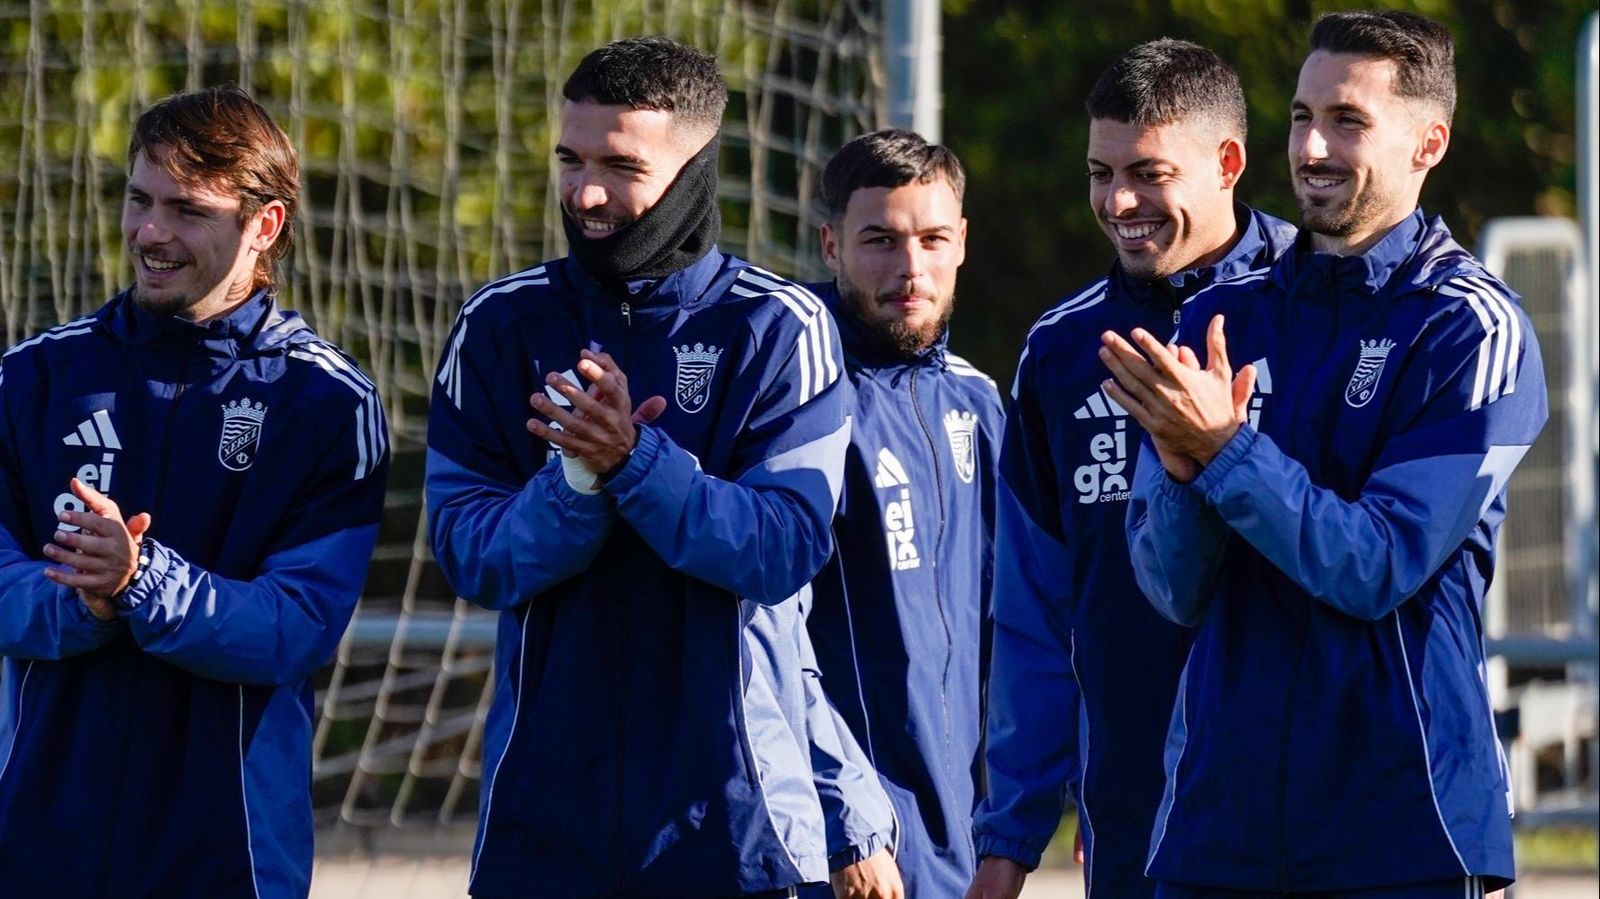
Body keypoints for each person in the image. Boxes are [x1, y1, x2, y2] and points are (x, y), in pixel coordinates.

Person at [1103, 11, 1543, 897]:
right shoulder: (1220, 315)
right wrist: (1186, 478)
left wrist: (1222, 451)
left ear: (1430, 141)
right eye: (1303, 117)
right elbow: (1173, 587)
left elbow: (1376, 563)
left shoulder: (1469, 328)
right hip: (1216, 830)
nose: (1312, 147)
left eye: (1348, 120)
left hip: (1401, 829)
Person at [426, 37, 864, 898]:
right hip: (542, 826)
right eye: (570, 159)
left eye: (620, 165)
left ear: (697, 168)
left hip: (734, 830)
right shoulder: (500, 324)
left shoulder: (779, 327)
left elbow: (781, 548)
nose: (585, 192)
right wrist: (578, 481)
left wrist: (635, 461)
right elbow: (469, 551)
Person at [0, 86, 389, 898]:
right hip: (37, 844)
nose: (151, 233)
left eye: (187, 210)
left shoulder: (326, 402)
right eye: (140, 199)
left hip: (228, 856)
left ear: (265, 226)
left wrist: (141, 582)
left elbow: (297, 623)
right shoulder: (33, 379)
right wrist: (88, 601)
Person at [967, 40, 1295, 899]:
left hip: (1310, 813)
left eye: (1148, 173)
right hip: (1133, 817)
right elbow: (1034, 613)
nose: (1118, 202)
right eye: (1098, 172)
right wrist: (1009, 835)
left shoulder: (1317, 311)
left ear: (1227, 163)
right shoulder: (1062, 351)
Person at [800, 129, 1002, 899]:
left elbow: (1005, 631)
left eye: (931, 238)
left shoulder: (980, 404)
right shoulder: (791, 394)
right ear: (831, 244)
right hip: (840, 849)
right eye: (880, 240)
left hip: (959, 846)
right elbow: (758, 638)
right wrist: (838, 818)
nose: (909, 268)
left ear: (962, 244)